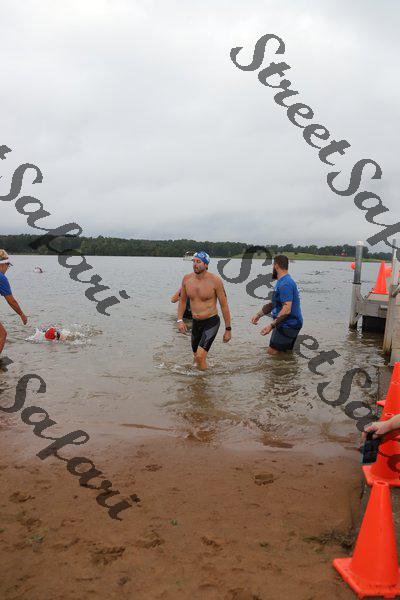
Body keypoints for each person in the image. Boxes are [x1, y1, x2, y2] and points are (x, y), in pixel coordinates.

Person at [177, 251, 231, 370]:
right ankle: (201, 377)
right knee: (196, 357)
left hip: (211, 322)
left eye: (198, 262)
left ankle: (203, 381)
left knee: (200, 357)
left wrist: (228, 329)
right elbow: (182, 301)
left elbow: (224, 305)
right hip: (195, 323)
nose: (195, 264)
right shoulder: (187, 279)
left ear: (206, 264)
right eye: (194, 261)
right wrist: (179, 320)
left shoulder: (215, 281)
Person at [251, 254, 303, 355]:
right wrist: (259, 315)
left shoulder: (285, 283)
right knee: (285, 354)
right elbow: (274, 303)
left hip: (288, 324)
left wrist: (271, 326)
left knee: (272, 352)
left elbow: (287, 309)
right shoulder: (282, 281)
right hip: (289, 322)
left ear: (276, 265)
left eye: (273, 265)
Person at [0, 250, 28, 355]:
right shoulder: (1, 278)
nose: (7, 268)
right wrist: (21, 314)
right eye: (8, 265)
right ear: (3, 264)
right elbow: (11, 301)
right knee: (2, 335)